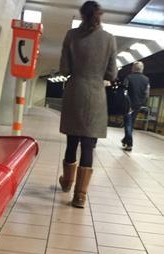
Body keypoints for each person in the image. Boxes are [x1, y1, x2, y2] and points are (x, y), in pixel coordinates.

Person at [58, 1, 117, 208]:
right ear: (99, 15)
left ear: (82, 15)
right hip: (96, 96)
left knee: (72, 142)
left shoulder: (71, 35)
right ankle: (80, 195)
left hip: (75, 92)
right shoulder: (109, 39)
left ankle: (66, 182)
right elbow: (111, 74)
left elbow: (64, 69)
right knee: (88, 145)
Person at [121, 61, 150, 151]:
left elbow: (124, 91)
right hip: (138, 105)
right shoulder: (146, 79)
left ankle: (129, 144)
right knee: (131, 123)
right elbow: (147, 93)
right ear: (142, 69)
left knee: (128, 123)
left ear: (133, 68)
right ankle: (125, 140)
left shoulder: (129, 77)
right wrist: (142, 102)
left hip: (128, 104)